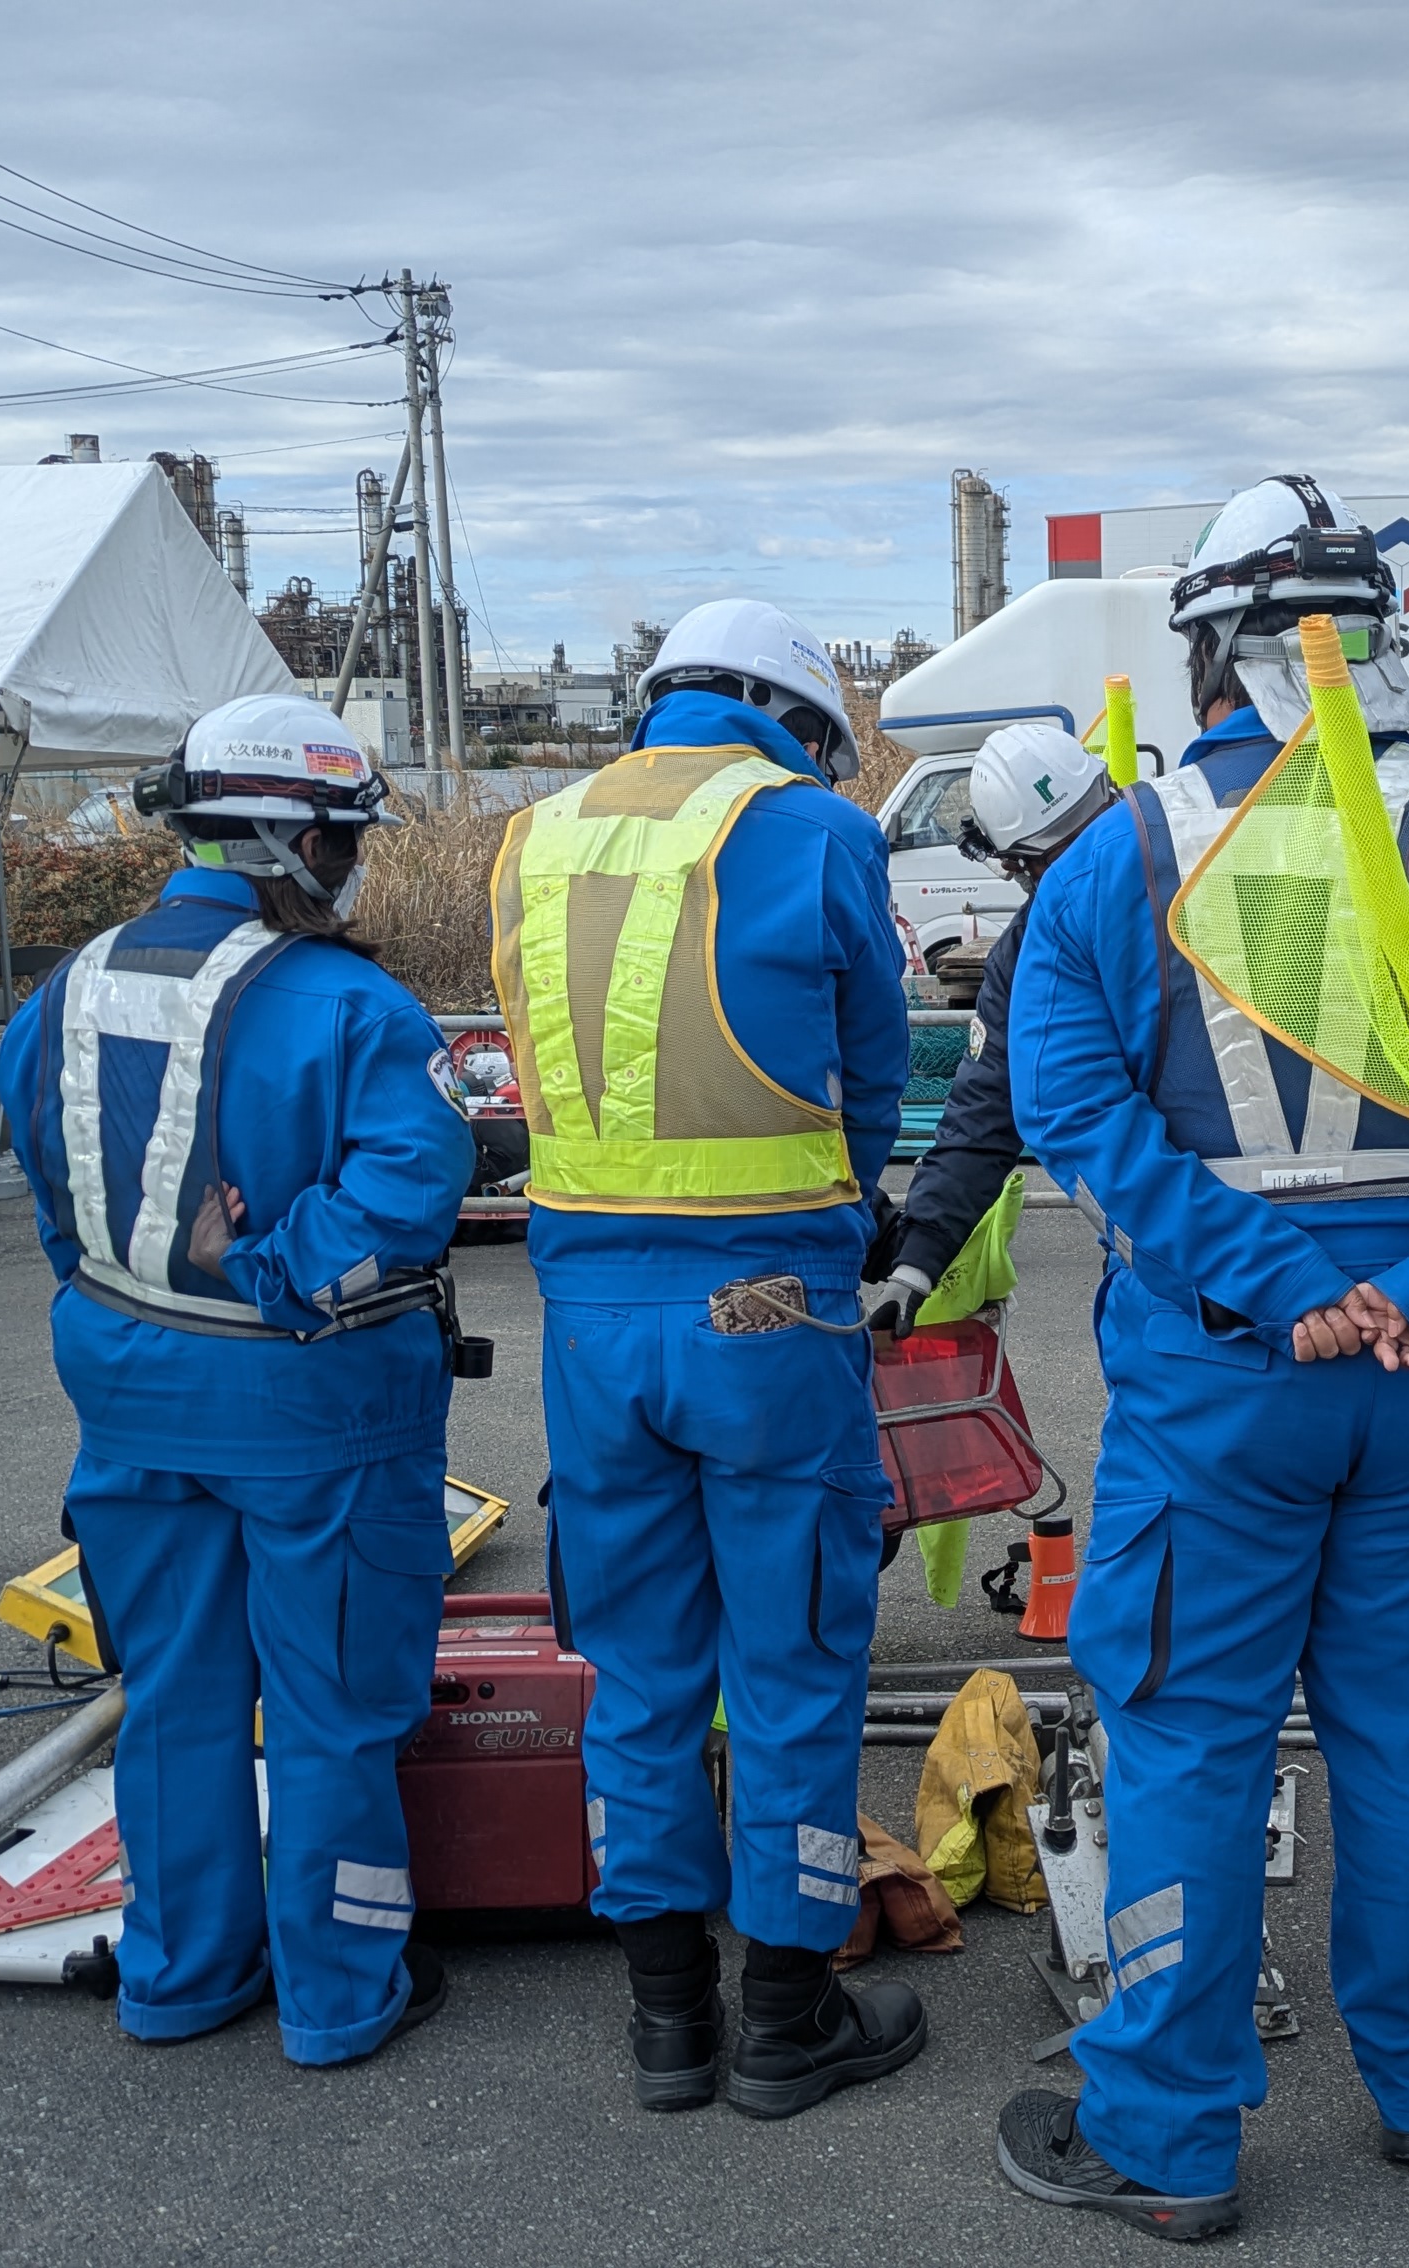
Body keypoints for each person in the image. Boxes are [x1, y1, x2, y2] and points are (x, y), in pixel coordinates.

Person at [987, 475, 1409, 2241]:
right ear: (1379, 644)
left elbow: (1073, 1111)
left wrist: (1274, 1278)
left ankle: (1168, 2132)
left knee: (1189, 1746)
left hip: (1225, 1389)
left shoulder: (1113, 862)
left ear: (1208, 651)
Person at [0, 693, 474, 2066]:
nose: (353, 865)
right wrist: (263, 1268)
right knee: (334, 1711)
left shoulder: (62, 991)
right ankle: (339, 1995)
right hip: (318, 1415)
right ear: (295, 841)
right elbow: (409, 1198)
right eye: (347, 840)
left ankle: (183, 1974)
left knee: (173, 1698)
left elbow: (60, 1202)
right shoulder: (353, 1007)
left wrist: (144, 1310)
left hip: (130, 1401)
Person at [491, 599, 923, 2118]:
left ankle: (668, 2023)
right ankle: (787, 2024)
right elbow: (875, 1073)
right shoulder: (816, 830)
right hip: (770, 1313)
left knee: (638, 1669)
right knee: (793, 1664)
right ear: (791, 719)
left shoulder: (530, 838)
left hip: (592, 1325)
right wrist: (848, 1218)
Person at [861, 718, 1119, 1330]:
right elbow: (986, 1107)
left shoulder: (1039, 945)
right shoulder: (1034, 947)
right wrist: (915, 1266)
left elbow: (984, 1110)